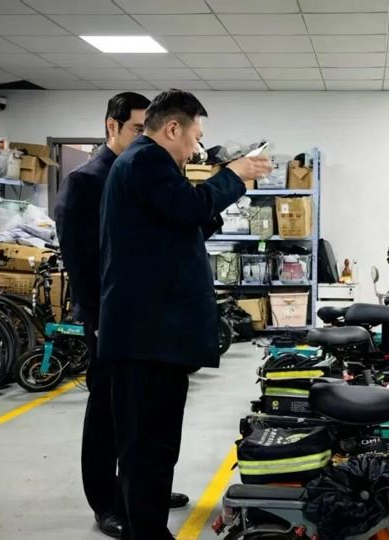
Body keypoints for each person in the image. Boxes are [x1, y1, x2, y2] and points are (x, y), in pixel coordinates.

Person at [98, 89, 271, 540]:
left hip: (153, 335)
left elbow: (181, 222)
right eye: (196, 136)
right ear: (173, 128)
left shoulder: (147, 164)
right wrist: (233, 175)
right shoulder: (146, 160)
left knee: (153, 444)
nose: (196, 148)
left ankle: (146, 527)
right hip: (147, 336)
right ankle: (147, 532)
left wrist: (225, 189)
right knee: (147, 446)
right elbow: (190, 207)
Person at [54, 92, 189, 539]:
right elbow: (80, 260)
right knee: (108, 415)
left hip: (145, 319)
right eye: (136, 129)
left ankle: (140, 493)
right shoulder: (87, 180)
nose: (144, 138)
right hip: (108, 319)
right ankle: (106, 501)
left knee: (143, 415)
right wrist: (96, 319)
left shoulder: (144, 172)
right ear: (111, 127)